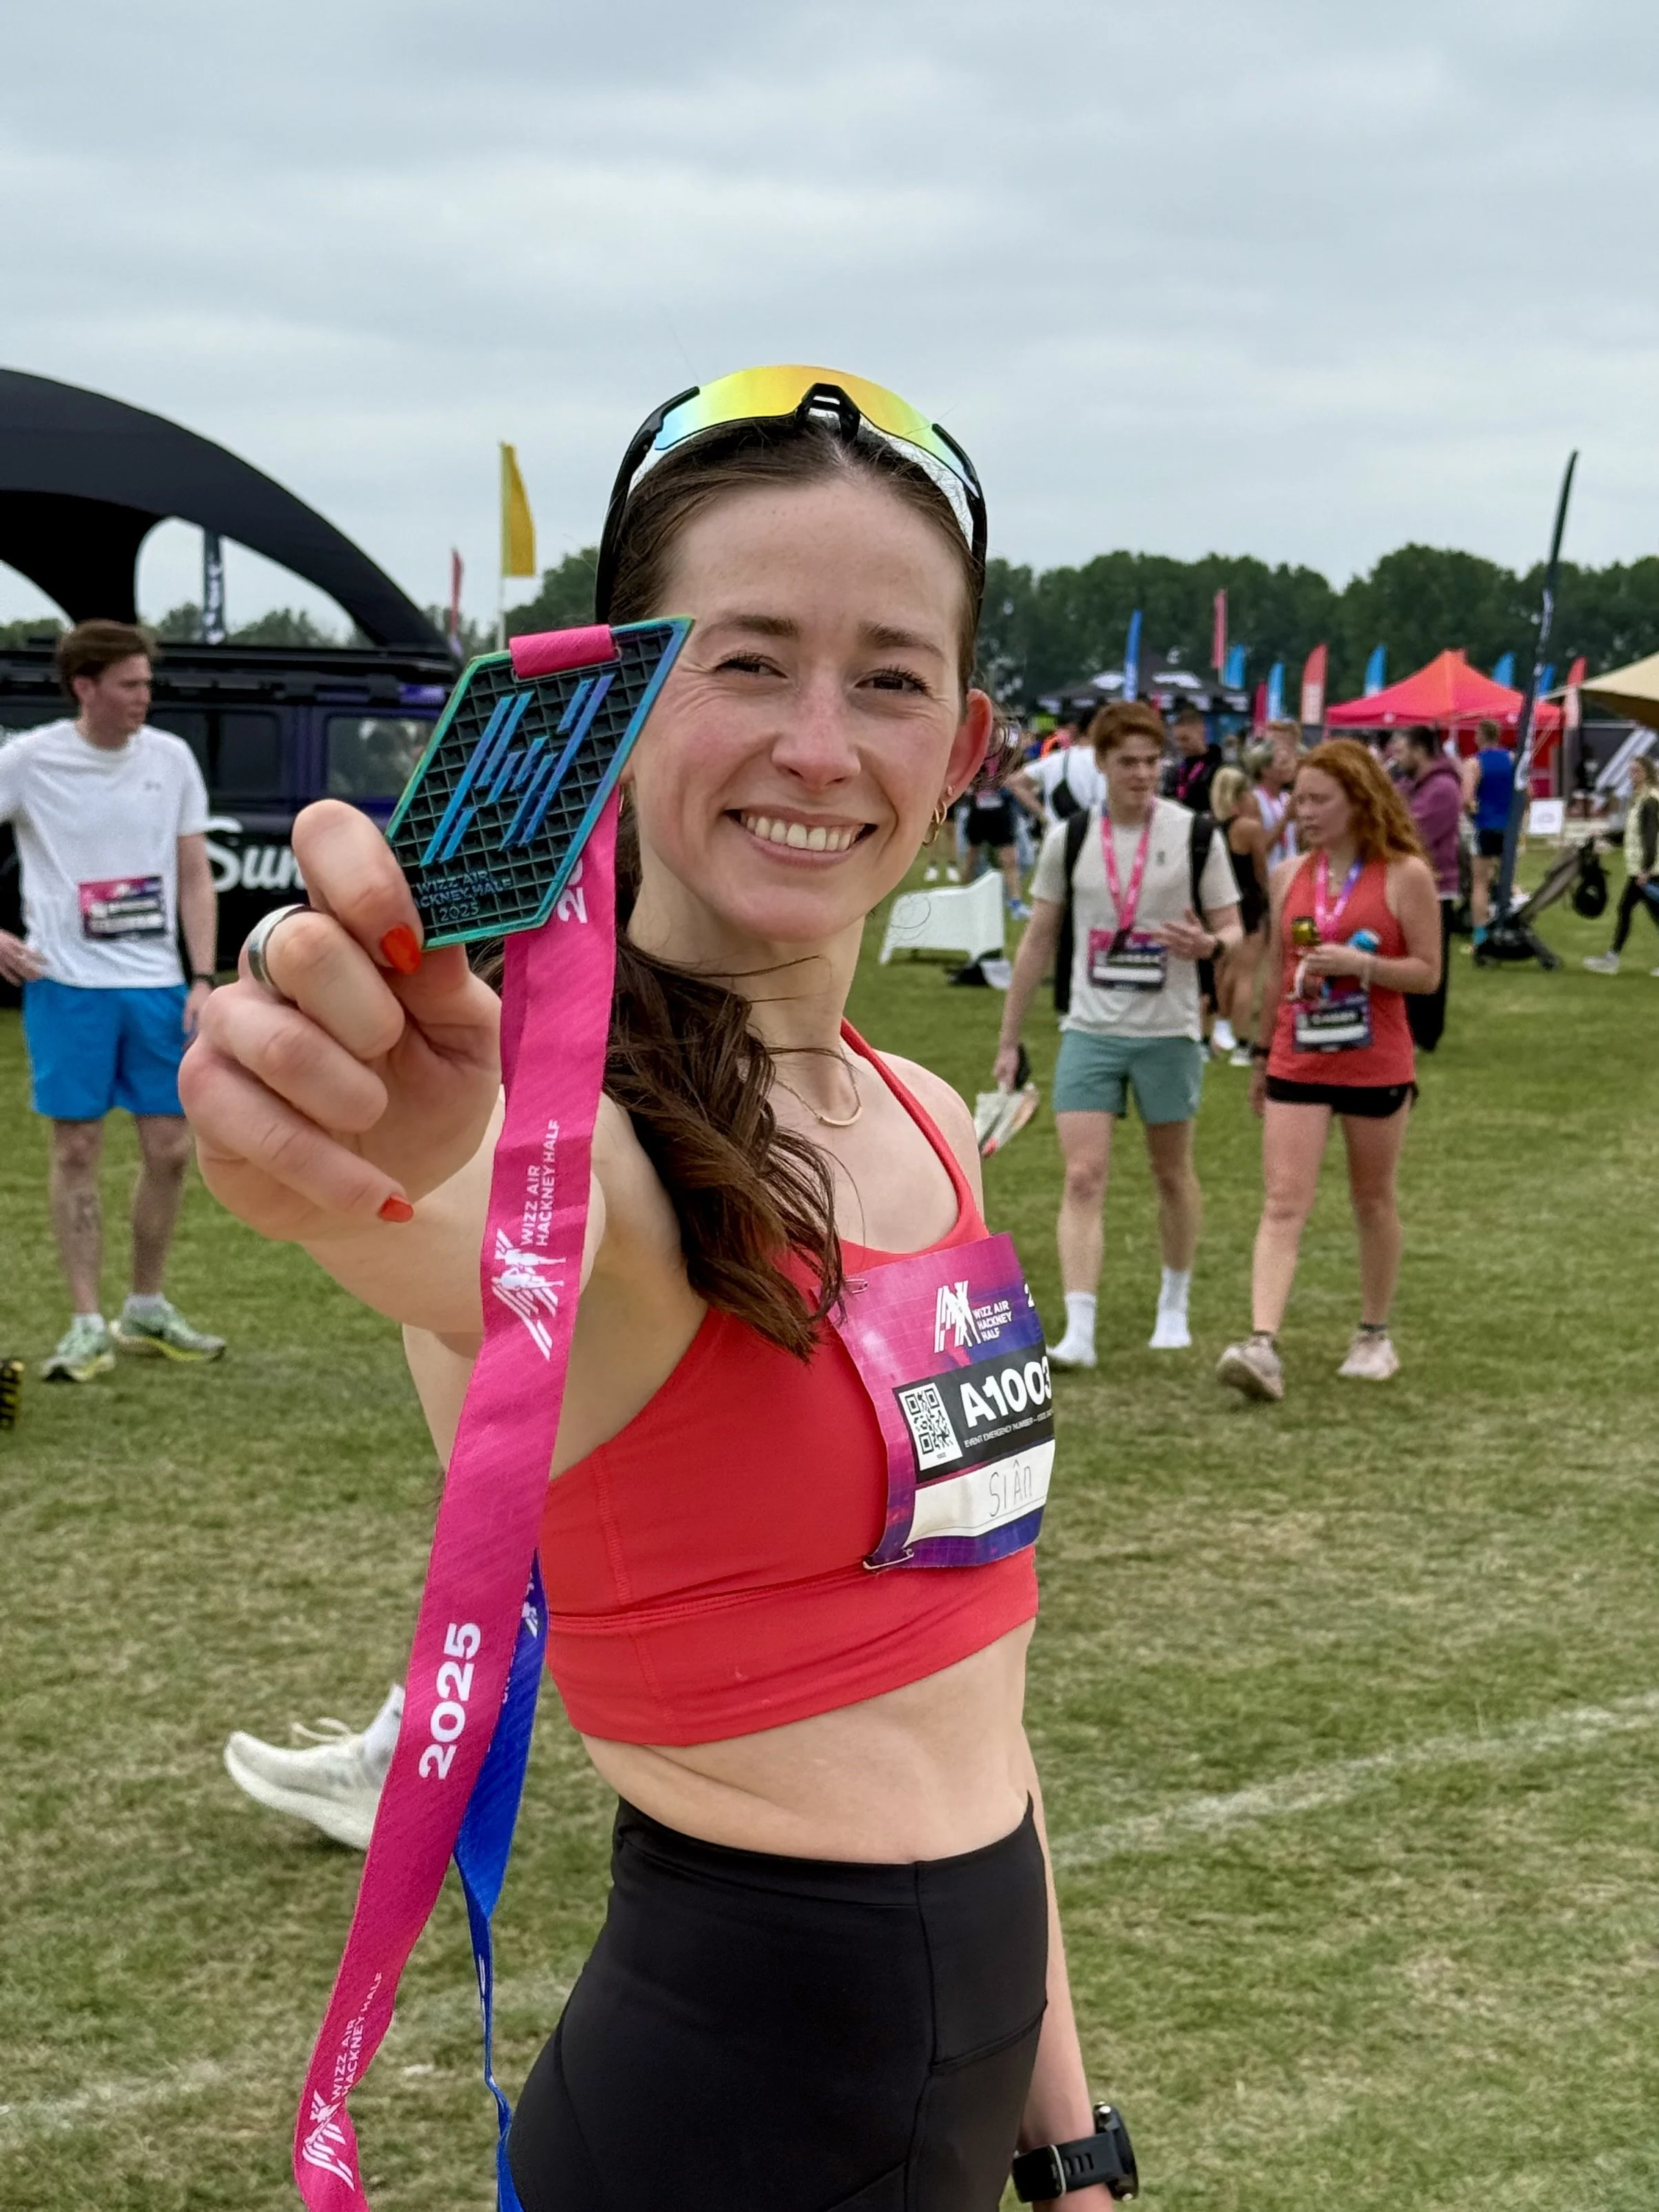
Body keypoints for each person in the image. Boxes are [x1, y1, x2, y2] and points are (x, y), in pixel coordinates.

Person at [182, 367, 1124, 2211]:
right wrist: (349, 1133)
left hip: (964, 2099)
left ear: (967, 742)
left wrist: (1073, 2135)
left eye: (890, 677)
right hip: (714, 2129)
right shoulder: (578, 1155)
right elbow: (444, 1220)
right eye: (749, 660)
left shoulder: (929, 1115)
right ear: (616, 699)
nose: (820, 743)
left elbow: (979, 1686)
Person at [0, 621, 225, 1381]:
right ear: (84, 687)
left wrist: (202, 976)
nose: (144, 698)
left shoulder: (171, 758)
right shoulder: (28, 761)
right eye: (129, 684)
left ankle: (147, 1306)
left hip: (158, 986)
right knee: (76, 1149)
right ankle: (86, 1320)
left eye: (147, 684)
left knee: (169, 1147)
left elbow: (195, 874)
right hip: (66, 986)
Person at [993, 701, 1241, 1364]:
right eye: (1127, 762)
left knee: (1170, 1171)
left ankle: (1174, 1304)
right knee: (1082, 1175)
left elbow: (1235, 931)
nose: (1142, 774)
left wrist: (1209, 943)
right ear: (1099, 765)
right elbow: (1037, 942)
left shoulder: (1196, 835)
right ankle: (1080, 1328)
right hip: (1090, 1030)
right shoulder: (1069, 840)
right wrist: (1009, 1040)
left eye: (1151, 760)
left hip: (1170, 1031)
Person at [1215, 740, 1441, 1403]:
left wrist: (1364, 966)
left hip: (1376, 1061)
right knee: (1284, 1200)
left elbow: (1427, 974)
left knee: (1372, 1199)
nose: (1303, 811)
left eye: (1319, 800)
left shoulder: (1405, 875)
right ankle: (1262, 1344)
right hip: (1297, 1056)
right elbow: (1280, 974)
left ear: (1358, 800)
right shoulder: (1289, 875)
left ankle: (1373, 1334)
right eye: (1300, 799)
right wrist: (1260, 1057)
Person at [1397, 724, 1462, 1050]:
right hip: (1417, 883)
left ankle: (1425, 1032)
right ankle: (1413, 1027)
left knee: (1429, 960)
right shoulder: (1417, 785)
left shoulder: (1442, 788)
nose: (1398, 758)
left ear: (1420, 750)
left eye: (1402, 750)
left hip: (1436, 887)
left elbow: (1414, 831)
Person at [1207, 765, 1270, 1064]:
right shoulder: (1249, 828)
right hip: (1248, 902)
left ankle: (1208, 1039)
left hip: (1218, 903)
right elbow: (1261, 871)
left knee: (1218, 973)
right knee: (1245, 974)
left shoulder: (1209, 825)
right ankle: (1244, 1044)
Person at [1583, 753, 1659, 974]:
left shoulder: (1649, 800)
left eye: (1636, 771)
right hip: (1644, 869)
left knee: (1626, 909)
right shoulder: (1642, 798)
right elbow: (1632, 834)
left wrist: (1645, 869)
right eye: (1631, 770)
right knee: (1634, 910)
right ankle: (1612, 958)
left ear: (1647, 773)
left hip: (1647, 870)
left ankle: (1611, 959)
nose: (1631, 775)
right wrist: (1607, 837)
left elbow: (1650, 836)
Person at [962, 756, 1033, 917]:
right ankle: (964, 897)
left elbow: (1018, 774)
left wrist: (1006, 780)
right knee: (972, 858)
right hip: (979, 810)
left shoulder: (1007, 754)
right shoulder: (977, 753)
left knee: (1010, 860)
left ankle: (1016, 904)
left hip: (1001, 811)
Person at [1465, 717, 1515, 943]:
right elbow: (1529, 792)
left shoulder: (1474, 763)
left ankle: (1480, 934)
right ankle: (1508, 924)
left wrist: (1474, 816)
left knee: (1480, 883)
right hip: (1509, 828)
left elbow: (1466, 799)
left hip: (1485, 826)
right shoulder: (1513, 759)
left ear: (1481, 736)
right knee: (1508, 880)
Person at [1007, 715, 1105, 829]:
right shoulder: (1109, 761)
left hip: (1057, 831)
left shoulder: (1055, 759)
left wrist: (1043, 816)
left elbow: (1015, 782)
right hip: (1098, 833)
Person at [1252, 721, 1301, 867]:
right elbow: (1259, 849)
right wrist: (1286, 818)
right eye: (1282, 762)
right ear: (1264, 768)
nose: (1288, 765)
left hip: (1290, 876)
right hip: (1269, 878)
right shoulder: (1254, 799)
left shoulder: (1286, 798)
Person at [1163, 704, 1221, 813]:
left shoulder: (1218, 769)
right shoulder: (1176, 770)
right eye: (1177, 740)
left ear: (1201, 732)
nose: (1180, 745)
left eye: (1185, 739)